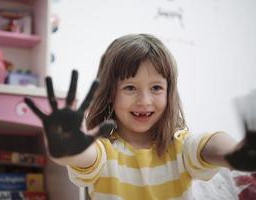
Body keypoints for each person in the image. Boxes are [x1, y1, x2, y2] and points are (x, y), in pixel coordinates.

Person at [24, 33, 256, 200]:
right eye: (130, 88)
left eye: (156, 88)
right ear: (110, 94)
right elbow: (85, 158)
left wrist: (233, 153)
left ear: (169, 93)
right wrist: (70, 148)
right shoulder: (104, 151)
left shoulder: (180, 146)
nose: (144, 100)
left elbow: (208, 145)